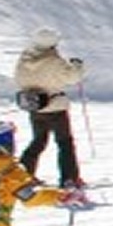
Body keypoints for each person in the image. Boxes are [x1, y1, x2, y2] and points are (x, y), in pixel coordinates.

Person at [15, 27, 87, 189]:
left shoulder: (25, 58)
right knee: (64, 143)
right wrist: (77, 66)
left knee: (38, 141)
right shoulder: (54, 60)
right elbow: (72, 78)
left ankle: (23, 176)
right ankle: (69, 179)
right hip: (55, 107)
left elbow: (18, 79)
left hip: (35, 105)